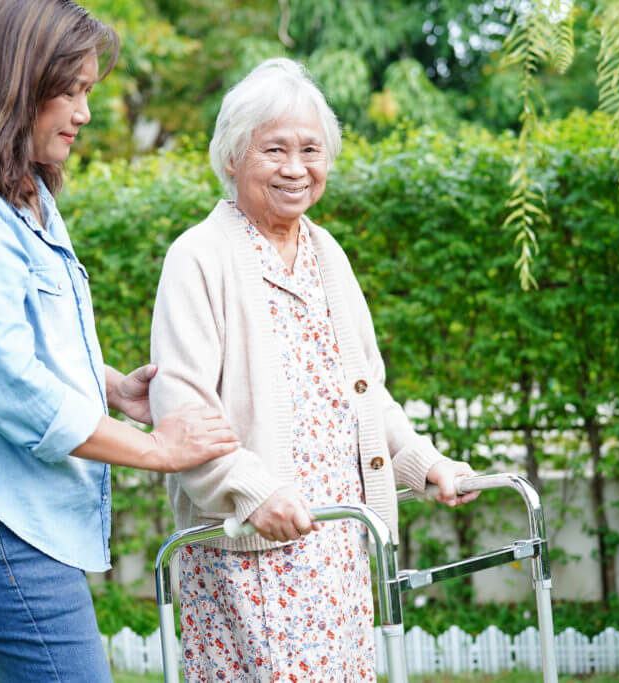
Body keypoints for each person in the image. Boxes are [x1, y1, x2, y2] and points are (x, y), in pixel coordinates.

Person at [0, 2, 238, 681]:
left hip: (19, 513)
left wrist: (108, 383)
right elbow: (15, 388)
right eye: (70, 91)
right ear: (15, 85)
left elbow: (14, 336)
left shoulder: (25, 195)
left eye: (88, 92)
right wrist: (157, 450)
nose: (84, 113)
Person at [148, 57, 480, 681]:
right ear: (231, 157)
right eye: (274, 149)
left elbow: (365, 395)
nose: (296, 168)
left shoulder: (328, 254)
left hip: (338, 547)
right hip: (244, 550)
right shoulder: (198, 257)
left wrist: (421, 460)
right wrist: (251, 490)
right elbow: (183, 410)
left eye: (311, 149)